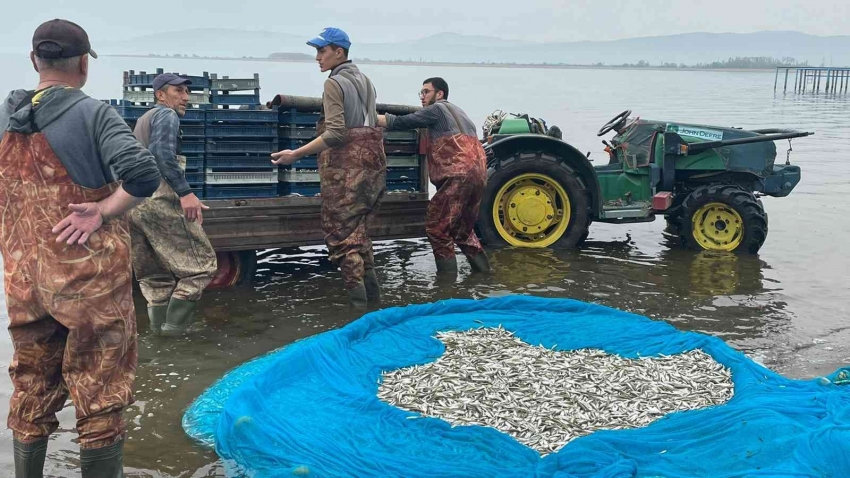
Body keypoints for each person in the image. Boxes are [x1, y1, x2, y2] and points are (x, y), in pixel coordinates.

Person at [0, 19, 162, 477]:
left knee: (30, 386)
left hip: (24, 283)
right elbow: (144, 175)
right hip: (88, 285)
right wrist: (103, 210)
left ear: (35, 60)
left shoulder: (5, 114)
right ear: (84, 64)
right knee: (101, 393)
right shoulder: (94, 114)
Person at [271, 28, 386, 309]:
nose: (317, 58)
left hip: (347, 171)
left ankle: (358, 314)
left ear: (339, 52)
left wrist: (295, 154)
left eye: (322, 51)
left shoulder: (334, 84)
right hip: (375, 169)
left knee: (342, 241)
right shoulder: (366, 81)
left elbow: (336, 133)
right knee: (359, 236)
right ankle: (376, 309)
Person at [128, 73, 217, 336]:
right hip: (159, 198)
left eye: (187, 92)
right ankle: (176, 330)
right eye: (178, 91)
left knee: (154, 275)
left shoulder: (143, 120)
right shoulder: (166, 115)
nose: (186, 98)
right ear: (160, 95)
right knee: (201, 266)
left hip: (135, 203)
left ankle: (160, 335)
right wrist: (185, 192)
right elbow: (162, 154)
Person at [378, 77, 490, 275]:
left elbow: (401, 122)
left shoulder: (436, 109)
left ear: (440, 94)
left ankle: (446, 287)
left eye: (426, 92)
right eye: (421, 92)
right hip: (479, 174)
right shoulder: (463, 115)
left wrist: (368, 117)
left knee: (437, 228)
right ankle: (485, 276)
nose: (422, 96)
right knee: (462, 230)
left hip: (458, 174)